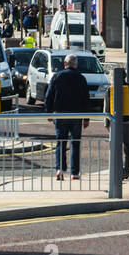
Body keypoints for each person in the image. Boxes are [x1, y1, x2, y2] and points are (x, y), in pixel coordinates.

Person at [45, 53, 91, 181]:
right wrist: (86, 118)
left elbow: (49, 95)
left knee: (61, 142)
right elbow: (86, 99)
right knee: (75, 143)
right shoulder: (81, 78)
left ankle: (60, 169)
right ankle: (74, 173)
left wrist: (48, 112)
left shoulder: (57, 76)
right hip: (77, 115)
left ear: (65, 64)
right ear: (75, 65)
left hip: (60, 114)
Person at [105, 78, 129, 177]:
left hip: (115, 122)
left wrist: (106, 123)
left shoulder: (110, 89)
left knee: (116, 147)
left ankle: (118, 170)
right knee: (128, 147)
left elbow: (107, 107)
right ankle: (127, 170)